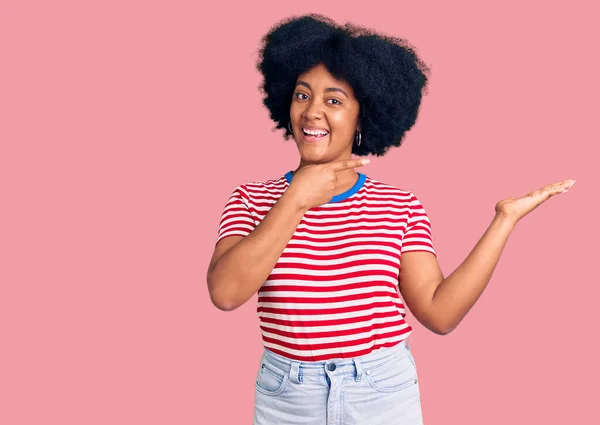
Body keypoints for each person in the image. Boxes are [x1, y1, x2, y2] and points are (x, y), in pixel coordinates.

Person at [206, 14, 575, 425]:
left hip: (380, 393)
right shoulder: (252, 200)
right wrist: (295, 199)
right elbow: (226, 293)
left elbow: (440, 313)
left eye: (333, 100)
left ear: (362, 118)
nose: (311, 113)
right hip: (288, 397)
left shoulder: (399, 205)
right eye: (302, 95)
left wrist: (505, 220)